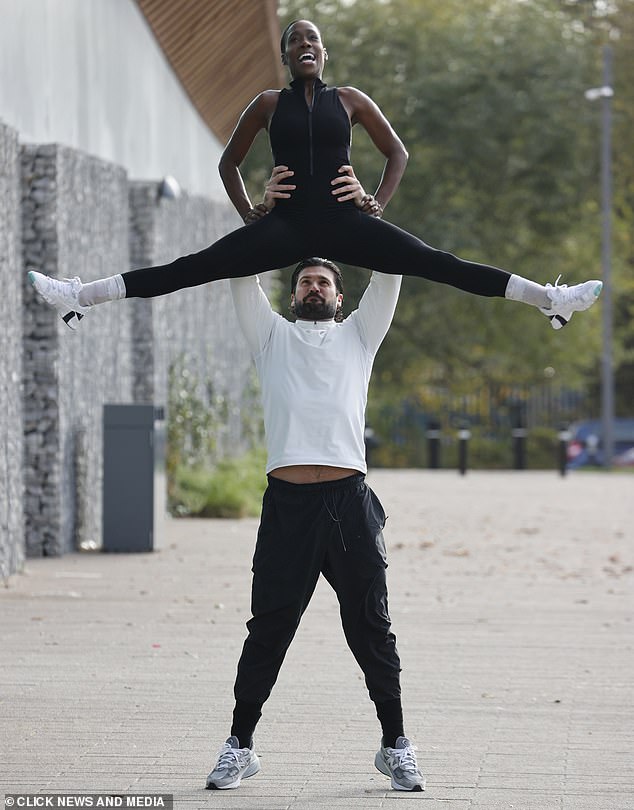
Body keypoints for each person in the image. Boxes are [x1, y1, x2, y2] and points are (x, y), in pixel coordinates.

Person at [29, 19, 601, 330]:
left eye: (314, 40)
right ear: (286, 55)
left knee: (438, 264)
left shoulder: (350, 100)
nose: (306, 45)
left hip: (347, 222)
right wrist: (252, 209)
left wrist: (374, 200)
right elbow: (227, 163)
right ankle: (80, 295)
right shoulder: (267, 103)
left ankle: (549, 299)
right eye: (296, 39)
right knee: (192, 268)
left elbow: (397, 153)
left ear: (323, 55)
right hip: (289, 226)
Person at [205, 256, 426, 792]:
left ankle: (396, 745)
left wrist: (370, 209)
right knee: (269, 630)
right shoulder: (271, 338)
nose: (314, 286)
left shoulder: (359, 337)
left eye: (324, 281)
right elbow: (241, 271)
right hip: (289, 508)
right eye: (305, 280)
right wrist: (259, 217)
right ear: (293, 293)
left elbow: (390, 269)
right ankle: (240, 746)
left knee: (371, 629)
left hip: (349, 505)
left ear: (339, 296)